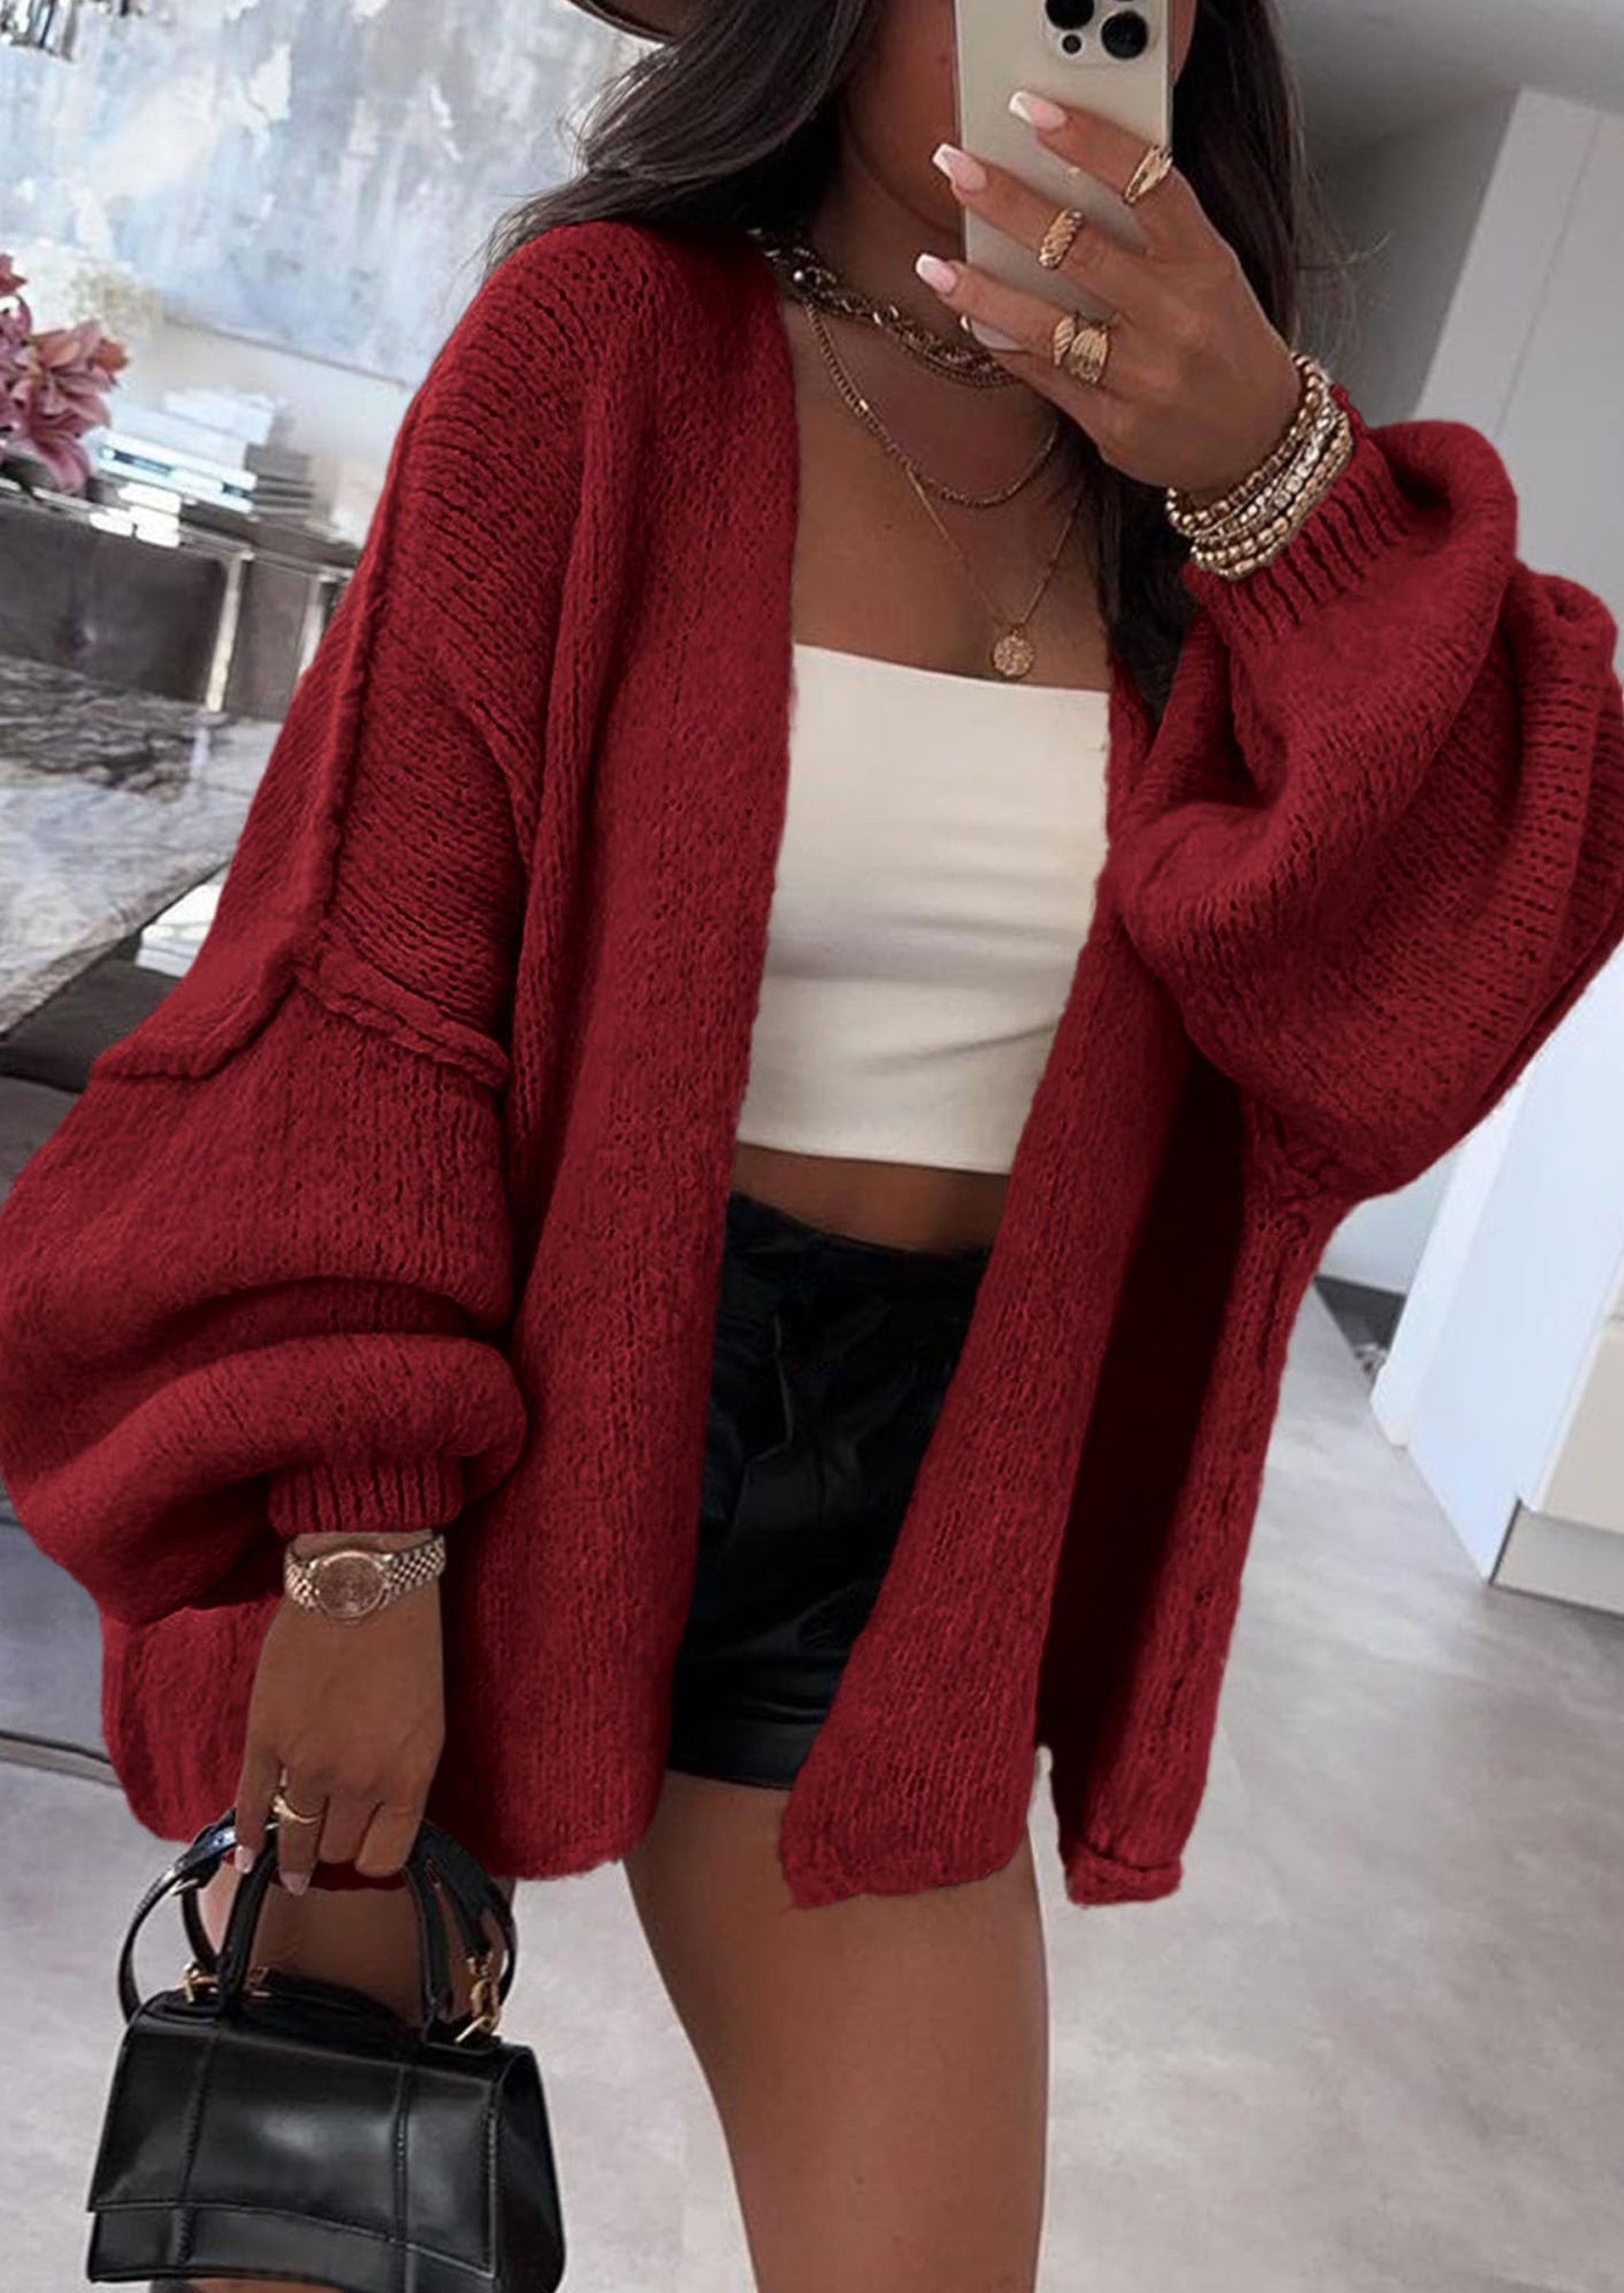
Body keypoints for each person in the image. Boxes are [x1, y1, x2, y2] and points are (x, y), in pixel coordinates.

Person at [3, 2, 1623, 2289]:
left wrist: (1278, 486)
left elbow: (1421, 1012)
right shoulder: (604, 347)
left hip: (908, 1509)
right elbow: (377, 979)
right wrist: (356, 1540)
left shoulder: (1212, 477)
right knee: (303, 2213)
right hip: (490, 1421)